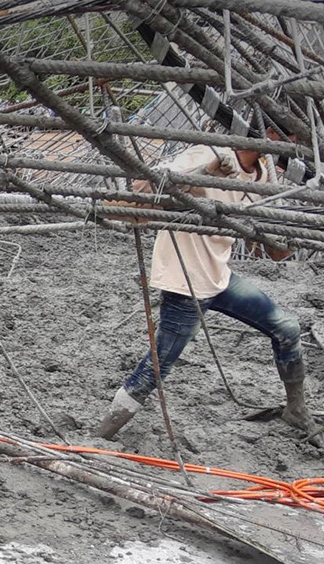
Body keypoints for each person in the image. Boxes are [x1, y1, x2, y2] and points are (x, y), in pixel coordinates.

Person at [98, 142, 321, 447]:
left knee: (287, 328)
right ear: (267, 130)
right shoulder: (208, 152)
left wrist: (293, 232)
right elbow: (142, 191)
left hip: (219, 277)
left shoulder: (263, 175)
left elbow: (270, 249)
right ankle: (102, 434)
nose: (289, 142)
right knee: (156, 367)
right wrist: (202, 174)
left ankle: (296, 410)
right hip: (184, 282)